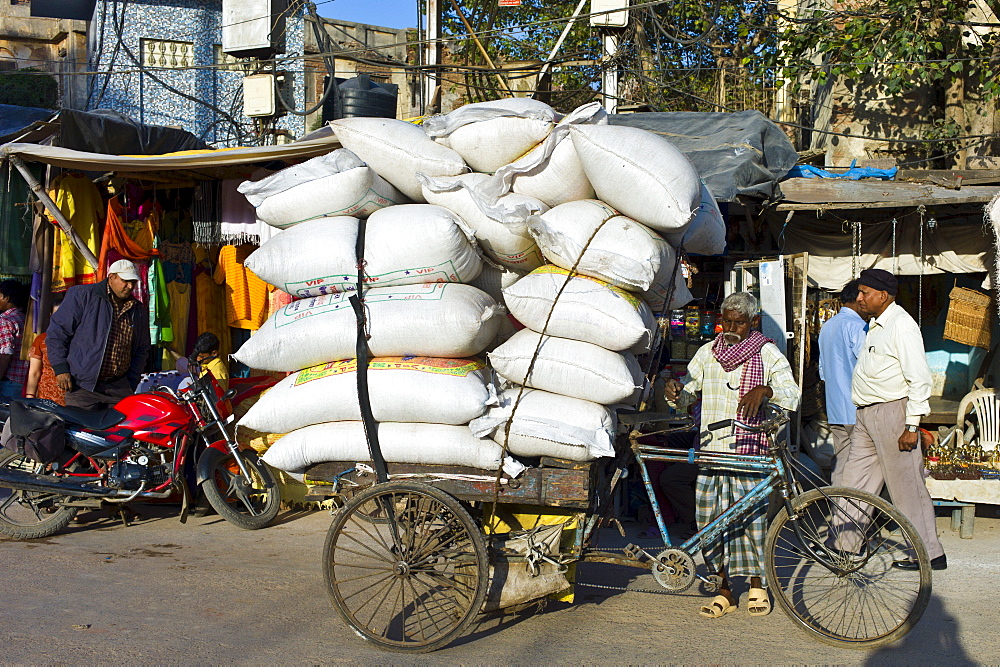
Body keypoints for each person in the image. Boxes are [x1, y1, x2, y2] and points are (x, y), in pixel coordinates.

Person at [664, 292, 800, 619]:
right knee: (711, 523)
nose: (732, 327)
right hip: (713, 451)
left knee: (751, 523)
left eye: (740, 322)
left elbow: (792, 394)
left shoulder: (767, 353)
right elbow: (686, 395)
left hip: (749, 453)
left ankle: (757, 586)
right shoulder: (707, 353)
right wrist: (675, 392)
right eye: (728, 320)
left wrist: (766, 390)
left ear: (753, 322)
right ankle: (724, 590)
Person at [841, 268, 947, 570]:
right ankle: (846, 547)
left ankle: (929, 554)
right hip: (866, 414)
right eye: (859, 292)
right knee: (854, 482)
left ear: (883, 296)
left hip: (893, 413)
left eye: (865, 293)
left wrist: (911, 425)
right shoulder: (875, 325)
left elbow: (920, 379)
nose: (860, 298)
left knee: (906, 486)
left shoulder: (901, 325)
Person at [46, 259, 151, 410]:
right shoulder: (83, 296)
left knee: (119, 433)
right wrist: (61, 368)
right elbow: (57, 333)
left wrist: (132, 381)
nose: (129, 286)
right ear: (112, 277)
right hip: (83, 387)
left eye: (133, 282)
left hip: (119, 389)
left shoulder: (138, 310)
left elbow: (142, 349)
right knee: (79, 432)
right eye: (125, 281)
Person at [817, 279, 867, 485]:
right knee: (861, 466)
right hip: (857, 408)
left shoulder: (828, 326)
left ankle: (839, 510)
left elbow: (823, 372)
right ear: (859, 298)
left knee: (841, 462)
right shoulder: (858, 327)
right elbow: (868, 368)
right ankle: (856, 512)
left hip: (836, 408)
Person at [24, 294, 66, 405]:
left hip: (73, 400)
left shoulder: (80, 340)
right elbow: (34, 372)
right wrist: (30, 398)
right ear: (51, 315)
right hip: (46, 399)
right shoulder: (41, 340)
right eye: (57, 314)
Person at [0, 280, 30, 400]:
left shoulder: (5, 320)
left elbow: (5, 354)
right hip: (22, 379)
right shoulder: (24, 317)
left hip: (9, 381)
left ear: (6, 298)